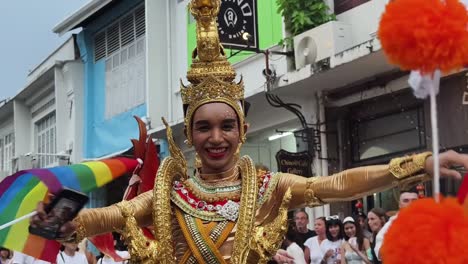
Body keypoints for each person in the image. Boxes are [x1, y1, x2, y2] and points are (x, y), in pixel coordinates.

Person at [30, 0, 468, 263]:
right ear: (190, 133)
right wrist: (60, 222)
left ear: (244, 130)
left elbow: (332, 184)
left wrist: (419, 163)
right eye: (203, 127)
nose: (215, 137)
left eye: (226, 126)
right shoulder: (169, 195)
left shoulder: (268, 187)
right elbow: (101, 219)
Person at [373, 187, 419, 261]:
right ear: (399, 205)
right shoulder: (391, 225)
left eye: (414, 200)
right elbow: (380, 254)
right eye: (406, 201)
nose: (410, 204)